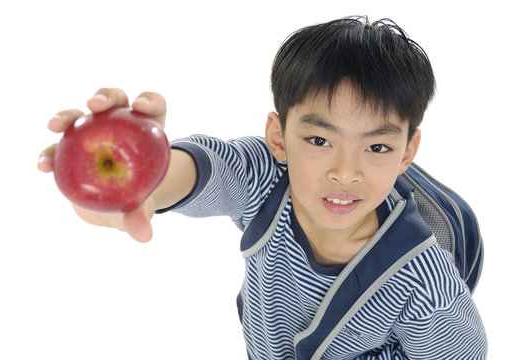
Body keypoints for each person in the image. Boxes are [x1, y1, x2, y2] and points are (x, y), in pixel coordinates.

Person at [38, 16, 487, 359]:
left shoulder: (426, 284)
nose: (346, 172)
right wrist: (147, 176)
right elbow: (210, 167)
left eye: (378, 147)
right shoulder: (269, 183)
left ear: (408, 153)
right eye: (318, 140)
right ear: (279, 138)